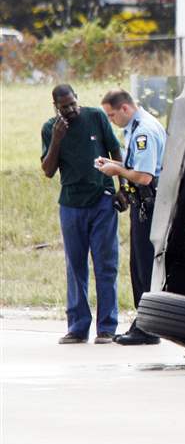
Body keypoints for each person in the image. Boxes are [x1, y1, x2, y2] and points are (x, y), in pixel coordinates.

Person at [41, 84, 123, 345]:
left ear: (77, 100)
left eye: (73, 103)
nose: (71, 109)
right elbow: (48, 170)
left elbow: (116, 151)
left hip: (102, 201)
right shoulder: (50, 129)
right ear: (56, 107)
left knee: (106, 265)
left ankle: (107, 327)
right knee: (75, 266)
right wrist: (56, 139)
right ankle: (77, 327)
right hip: (71, 205)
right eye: (65, 107)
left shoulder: (96, 117)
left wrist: (124, 188)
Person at [97, 89, 166, 345]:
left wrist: (116, 170)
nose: (111, 120)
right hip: (141, 203)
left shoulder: (144, 131)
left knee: (145, 265)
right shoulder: (134, 128)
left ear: (125, 108)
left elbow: (144, 176)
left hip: (148, 203)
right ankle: (144, 321)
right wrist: (115, 165)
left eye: (112, 114)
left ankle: (148, 326)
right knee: (138, 265)